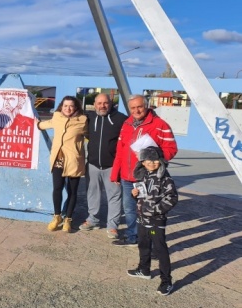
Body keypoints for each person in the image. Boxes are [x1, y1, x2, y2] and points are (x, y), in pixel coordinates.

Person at [110, 94, 178, 246]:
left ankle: (152, 244)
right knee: (129, 210)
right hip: (127, 177)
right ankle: (133, 236)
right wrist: (116, 173)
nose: (136, 110)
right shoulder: (126, 124)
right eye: (133, 108)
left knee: (149, 212)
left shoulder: (160, 125)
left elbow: (171, 149)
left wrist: (154, 159)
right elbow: (120, 151)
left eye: (139, 106)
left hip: (149, 178)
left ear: (146, 106)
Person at [127, 146, 178, 296]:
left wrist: (155, 210)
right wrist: (134, 195)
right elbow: (141, 196)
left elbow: (172, 198)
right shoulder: (143, 176)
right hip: (142, 218)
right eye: (148, 160)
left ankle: (166, 281)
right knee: (143, 244)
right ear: (142, 162)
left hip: (157, 220)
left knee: (160, 249)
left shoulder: (165, 178)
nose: (152, 163)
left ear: (161, 161)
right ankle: (144, 269)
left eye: (155, 160)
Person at [80, 93, 127, 239]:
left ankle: (112, 226)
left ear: (111, 103)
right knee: (92, 193)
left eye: (105, 103)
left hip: (112, 166)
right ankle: (93, 219)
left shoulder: (121, 119)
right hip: (93, 164)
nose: (102, 106)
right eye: (99, 103)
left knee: (114, 196)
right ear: (94, 104)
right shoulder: (89, 118)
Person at [38, 96, 88, 233]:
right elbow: (45, 124)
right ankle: (57, 216)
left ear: (76, 107)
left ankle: (68, 219)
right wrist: (36, 124)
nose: (68, 108)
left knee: (72, 191)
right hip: (58, 160)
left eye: (71, 106)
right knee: (57, 188)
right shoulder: (57, 117)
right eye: (65, 106)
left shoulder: (83, 121)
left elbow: (91, 135)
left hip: (74, 160)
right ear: (61, 106)